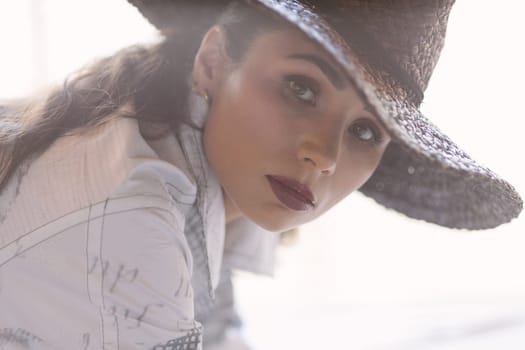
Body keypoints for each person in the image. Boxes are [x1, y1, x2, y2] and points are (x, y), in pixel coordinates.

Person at [0, 0, 522, 349]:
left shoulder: (203, 171)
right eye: (301, 88)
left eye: (365, 132)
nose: (326, 156)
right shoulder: (132, 219)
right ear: (212, 62)